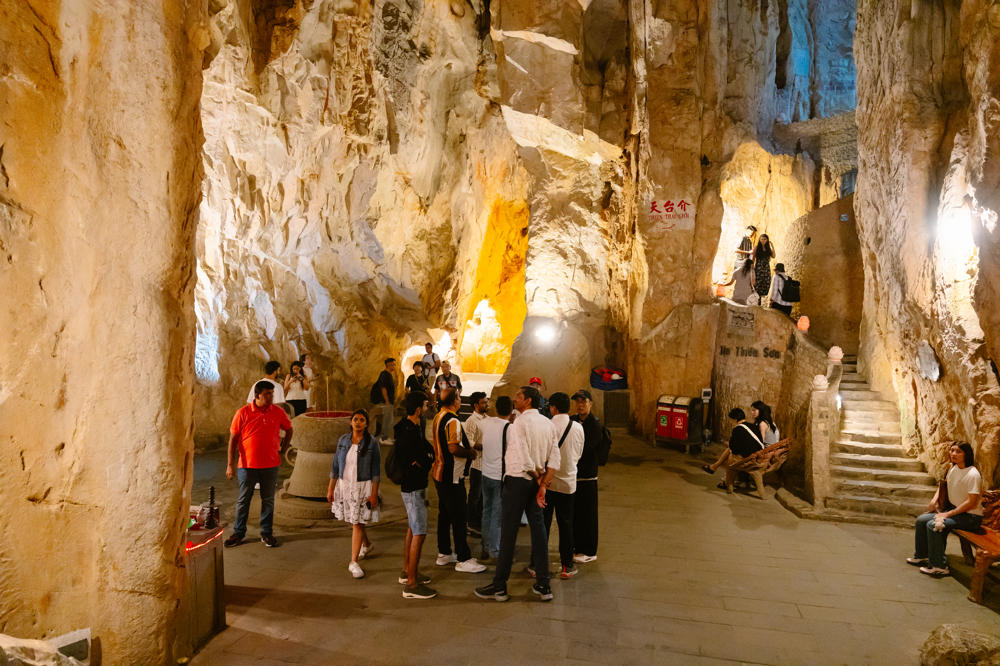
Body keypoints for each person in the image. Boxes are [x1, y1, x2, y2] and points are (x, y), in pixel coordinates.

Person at [475, 386, 560, 602]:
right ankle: (543, 584)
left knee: (509, 533)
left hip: (518, 481)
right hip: (535, 483)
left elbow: (524, 458)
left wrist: (537, 478)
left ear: (528, 401)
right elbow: (555, 459)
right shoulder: (548, 424)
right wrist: (543, 484)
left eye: (519, 396)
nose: (515, 399)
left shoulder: (518, 424)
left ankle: (499, 586)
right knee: (539, 532)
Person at [225, 381, 293, 548]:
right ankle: (239, 533)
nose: (271, 397)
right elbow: (233, 440)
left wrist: (284, 448)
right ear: (257, 395)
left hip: (270, 464)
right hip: (247, 465)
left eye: (272, 393)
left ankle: (266, 533)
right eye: (267, 394)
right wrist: (230, 465)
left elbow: (289, 429)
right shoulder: (243, 412)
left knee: (268, 500)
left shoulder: (278, 412)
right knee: (243, 500)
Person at [430, 388, 487, 573]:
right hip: (452, 477)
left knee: (445, 516)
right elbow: (453, 448)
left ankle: (444, 552)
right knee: (459, 517)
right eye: (458, 397)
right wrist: (470, 453)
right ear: (455, 400)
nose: (459, 400)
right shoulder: (453, 420)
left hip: (440, 474)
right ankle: (463, 558)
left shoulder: (439, 416)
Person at [908, 441, 983, 577]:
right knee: (921, 520)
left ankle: (939, 566)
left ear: (966, 454)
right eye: (952, 450)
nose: (953, 454)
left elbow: (971, 502)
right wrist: (934, 501)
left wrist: (948, 514)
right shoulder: (953, 468)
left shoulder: (973, 474)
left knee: (934, 525)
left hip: (971, 517)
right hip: (955, 511)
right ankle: (922, 556)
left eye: (958, 451)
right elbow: (943, 486)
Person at [327, 409, 381, 578]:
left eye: (362, 420)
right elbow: (335, 466)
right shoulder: (343, 440)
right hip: (345, 485)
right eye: (355, 419)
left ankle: (353, 562)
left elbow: (376, 472)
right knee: (355, 520)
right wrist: (330, 488)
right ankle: (367, 544)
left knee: (357, 523)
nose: (358, 422)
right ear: (350, 422)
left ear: (366, 424)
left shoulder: (372, 443)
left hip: (362, 487)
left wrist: (374, 494)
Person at [394, 391, 437, 599]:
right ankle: (411, 584)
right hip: (413, 487)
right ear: (419, 409)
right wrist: (427, 460)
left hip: (414, 486)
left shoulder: (410, 426)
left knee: (413, 528)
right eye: (426, 405)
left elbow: (424, 451)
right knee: (419, 532)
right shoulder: (408, 431)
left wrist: (427, 456)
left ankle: (407, 571)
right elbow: (414, 459)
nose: (427, 408)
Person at [537, 392, 584, 579]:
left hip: (547, 483)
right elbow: (578, 454)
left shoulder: (547, 426)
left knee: (543, 524)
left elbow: (542, 453)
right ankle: (566, 566)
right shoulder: (578, 427)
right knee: (566, 524)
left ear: (553, 408)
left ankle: (537, 565)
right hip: (568, 483)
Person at [570, 389, 603, 563]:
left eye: (583, 401)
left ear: (590, 403)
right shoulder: (572, 420)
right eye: (577, 401)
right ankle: (577, 547)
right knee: (576, 515)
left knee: (588, 515)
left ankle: (589, 551)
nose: (580, 405)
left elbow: (588, 449)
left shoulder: (594, 425)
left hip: (587, 477)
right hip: (573, 476)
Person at [478, 395, 512, 562]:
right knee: (497, 516)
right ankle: (495, 551)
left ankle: (485, 547)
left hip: (485, 473)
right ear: (511, 410)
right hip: (500, 476)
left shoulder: (486, 423)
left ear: (496, 408)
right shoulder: (510, 429)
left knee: (487, 511)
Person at [702, 408, 764, 492]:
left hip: (749, 458)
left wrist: (729, 444)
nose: (731, 422)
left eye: (731, 420)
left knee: (730, 453)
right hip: (760, 455)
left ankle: (719, 472)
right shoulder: (752, 426)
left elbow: (734, 449)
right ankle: (714, 466)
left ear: (734, 419)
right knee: (729, 450)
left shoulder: (737, 429)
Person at [464, 392, 489, 541]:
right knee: (475, 496)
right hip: (477, 465)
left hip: (487, 464)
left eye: (486, 401)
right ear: (476, 405)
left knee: (483, 497)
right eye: (484, 402)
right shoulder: (471, 421)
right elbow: (469, 442)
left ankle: (478, 522)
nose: (487, 404)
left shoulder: (488, 419)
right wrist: (484, 446)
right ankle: (470, 524)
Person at [371, 357, 397, 439]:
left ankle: (379, 436)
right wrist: (387, 401)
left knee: (382, 419)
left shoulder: (387, 374)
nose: (394, 366)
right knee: (388, 420)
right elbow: (383, 388)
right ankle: (385, 438)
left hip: (385, 401)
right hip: (385, 401)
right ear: (389, 365)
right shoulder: (385, 374)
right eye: (393, 364)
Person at [752, 234, 776, 303]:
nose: (763, 240)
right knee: (758, 285)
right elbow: (753, 259)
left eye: (764, 239)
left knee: (765, 284)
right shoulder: (756, 248)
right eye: (761, 239)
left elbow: (773, 256)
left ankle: (759, 302)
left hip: (766, 269)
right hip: (759, 268)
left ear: (767, 240)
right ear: (759, 240)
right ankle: (756, 302)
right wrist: (752, 269)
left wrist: (772, 246)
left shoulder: (768, 248)